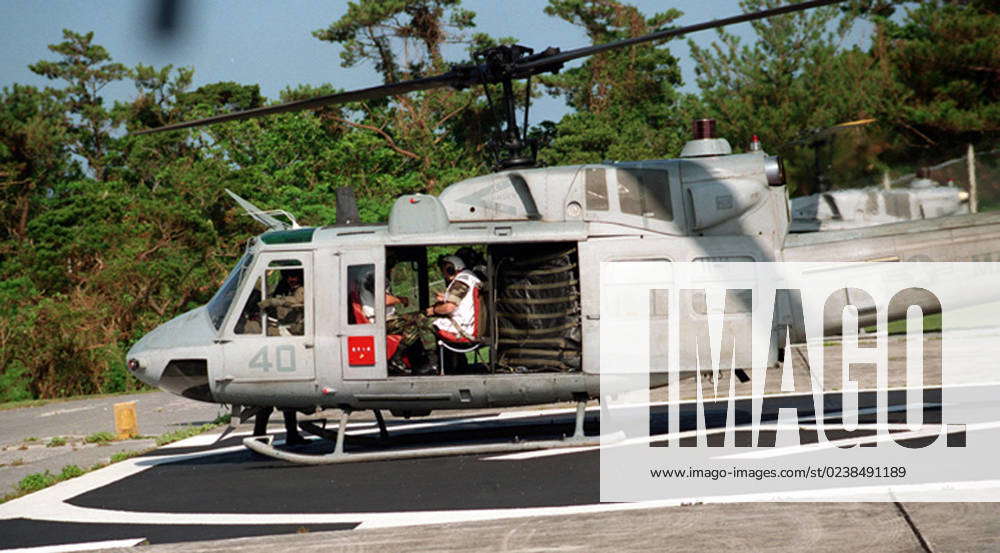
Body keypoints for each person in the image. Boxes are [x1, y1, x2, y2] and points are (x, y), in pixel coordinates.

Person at [425, 255, 484, 372]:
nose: (444, 273)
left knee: (423, 320)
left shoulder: (461, 281)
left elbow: (449, 308)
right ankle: (458, 363)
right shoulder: (468, 277)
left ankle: (433, 363)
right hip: (464, 324)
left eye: (445, 269)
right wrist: (445, 297)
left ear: (453, 268)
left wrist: (433, 310)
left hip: (462, 329)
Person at [259, 269, 304, 335]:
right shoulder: (287, 289)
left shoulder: (302, 290)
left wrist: (271, 301)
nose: (290, 279)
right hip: (286, 325)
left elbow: (295, 301)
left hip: (296, 329)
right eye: (288, 277)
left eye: (293, 276)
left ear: (299, 277)